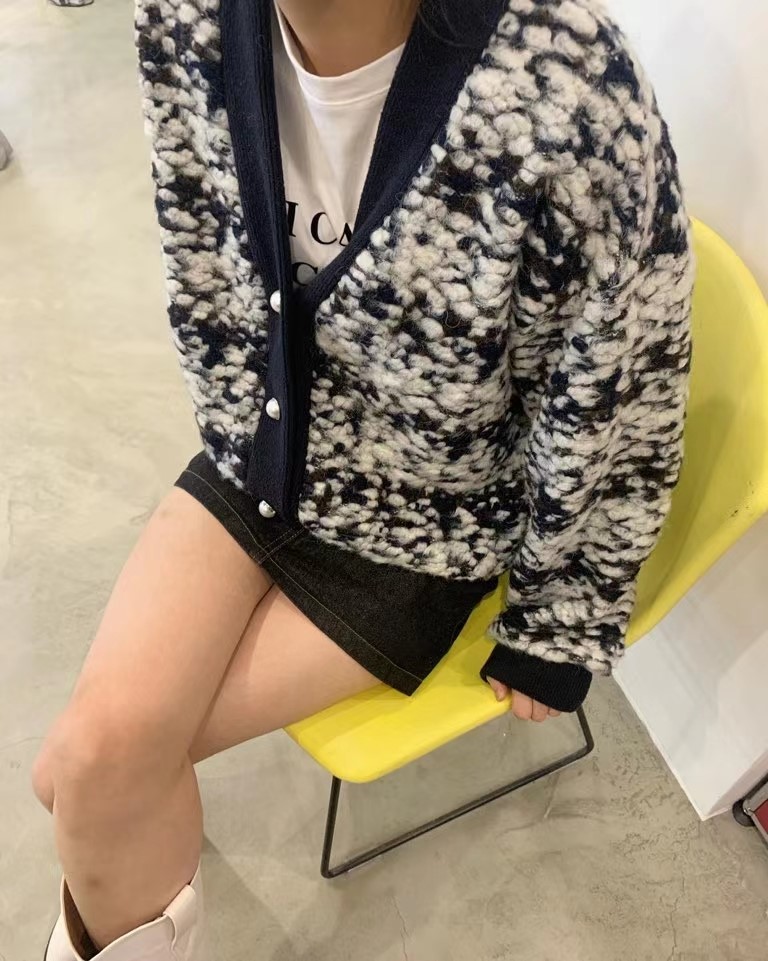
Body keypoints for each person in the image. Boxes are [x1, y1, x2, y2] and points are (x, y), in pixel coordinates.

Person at [33, 0, 694, 958]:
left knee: (93, 777)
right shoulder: (185, 18)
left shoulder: (565, 82)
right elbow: (208, 268)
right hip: (261, 456)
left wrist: (559, 621)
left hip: (426, 524)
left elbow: (621, 388)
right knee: (86, 774)